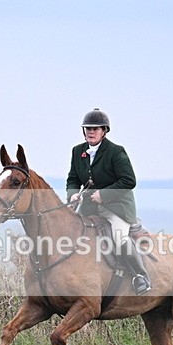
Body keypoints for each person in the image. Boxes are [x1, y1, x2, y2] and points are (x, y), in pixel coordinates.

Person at [66, 108, 152, 295]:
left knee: (119, 238)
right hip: (89, 207)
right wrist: (72, 194)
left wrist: (104, 195)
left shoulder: (115, 151)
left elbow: (129, 180)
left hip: (116, 207)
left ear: (104, 131)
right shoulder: (77, 151)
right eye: (87, 128)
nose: (91, 131)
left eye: (95, 128)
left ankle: (141, 276)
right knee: (72, 232)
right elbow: (73, 178)